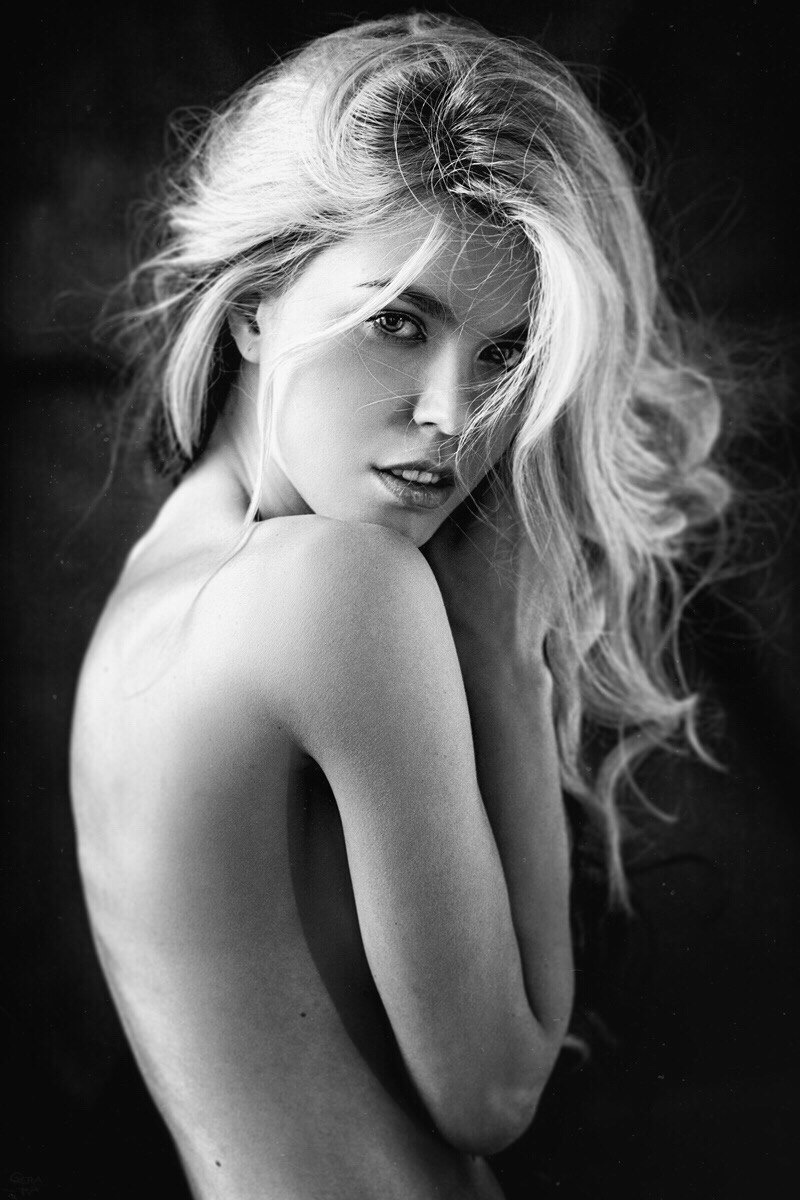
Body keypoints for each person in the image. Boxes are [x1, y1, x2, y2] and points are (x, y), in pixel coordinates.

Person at [69, 11, 731, 1199]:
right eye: (396, 322)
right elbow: (493, 1094)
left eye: (504, 353)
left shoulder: (169, 580)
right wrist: (507, 659)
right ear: (256, 301)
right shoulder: (337, 584)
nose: (450, 415)